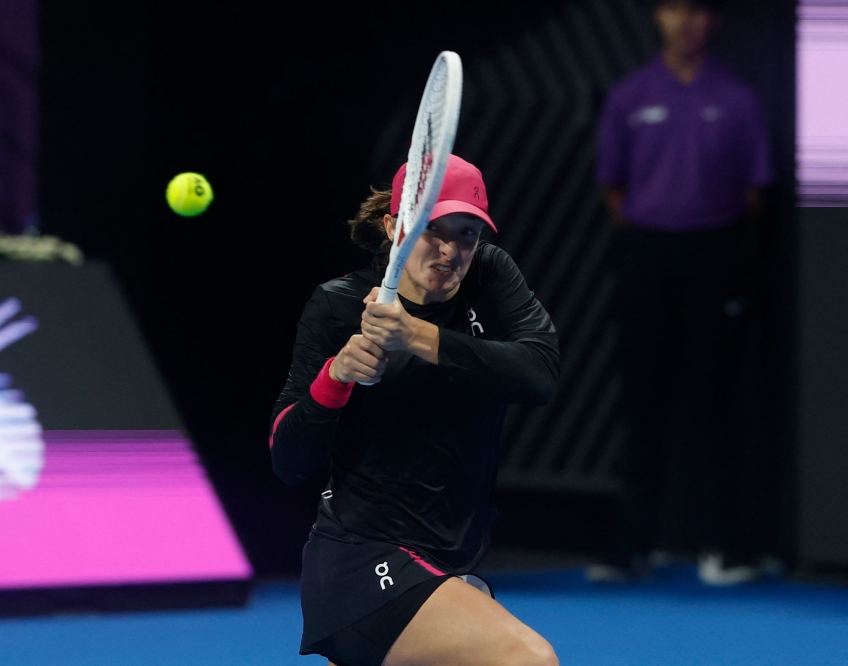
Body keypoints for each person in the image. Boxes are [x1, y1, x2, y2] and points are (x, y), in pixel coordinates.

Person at [270, 155, 561, 666]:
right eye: (433, 231)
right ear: (393, 227)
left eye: (467, 234)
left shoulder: (489, 277)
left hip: (449, 561)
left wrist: (418, 337)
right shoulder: (338, 305)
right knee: (527, 660)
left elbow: (538, 375)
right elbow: (288, 458)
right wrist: (335, 379)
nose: (451, 251)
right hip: (361, 562)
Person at [590, 0, 774, 585]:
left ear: (714, 21)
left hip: (715, 257)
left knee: (716, 404)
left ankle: (724, 547)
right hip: (647, 258)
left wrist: (704, 234)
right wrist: (658, 229)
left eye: (698, 11)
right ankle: (632, 548)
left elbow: (755, 191)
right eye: (675, 9)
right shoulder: (629, 95)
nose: (686, 21)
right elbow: (612, 187)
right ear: (658, 18)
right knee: (642, 404)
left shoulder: (739, 99)